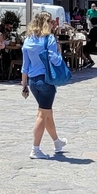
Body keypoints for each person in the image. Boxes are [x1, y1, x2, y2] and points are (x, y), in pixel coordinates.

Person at [21, 11, 66, 159]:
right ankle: (35, 149)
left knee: (47, 113)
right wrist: (59, 52)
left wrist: (24, 84)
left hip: (33, 82)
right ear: (48, 23)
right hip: (46, 80)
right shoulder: (49, 39)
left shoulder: (28, 40)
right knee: (42, 114)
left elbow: (25, 65)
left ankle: (57, 142)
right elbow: (55, 61)